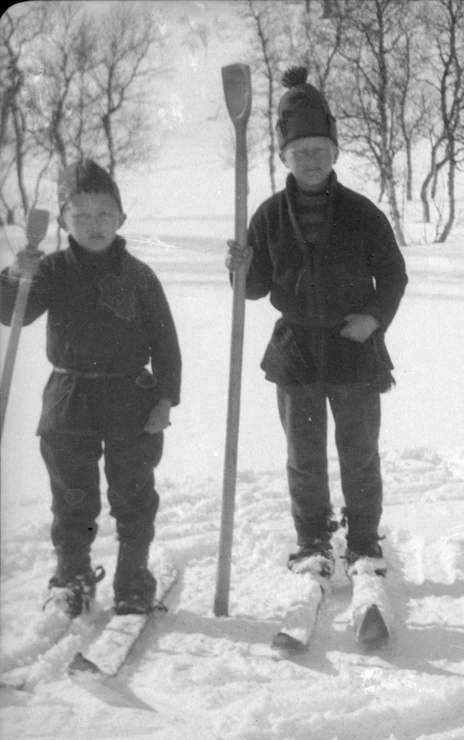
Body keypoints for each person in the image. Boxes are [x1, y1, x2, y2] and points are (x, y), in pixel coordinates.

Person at [225, 67, 407, 581]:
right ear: (284, 156)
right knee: (303, 456)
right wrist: (239, 269)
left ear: (335, 152)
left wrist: (374, 319)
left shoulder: (362, 213)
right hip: (296, 349)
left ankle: (364, 539)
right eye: (300, 151)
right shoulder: (267, 217)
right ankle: (312, 539)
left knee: (359, 452)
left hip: (353, 344)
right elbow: (255, 287)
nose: (311, 160)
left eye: (320, 151)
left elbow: (394, 274)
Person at [1, 159, 181, 616]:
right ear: (63, 222)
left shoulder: (139, 276)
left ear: (121, 217)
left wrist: (165, 399)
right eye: (80, 215)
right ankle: (72, 576)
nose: (94, 224)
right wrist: (15, 275)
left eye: (104, 213)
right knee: (72, 496)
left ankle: (133, 579)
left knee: (132, 492)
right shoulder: (51, 270)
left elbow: (166, 345)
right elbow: (12, 314)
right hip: (69, 395)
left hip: (130, 395)